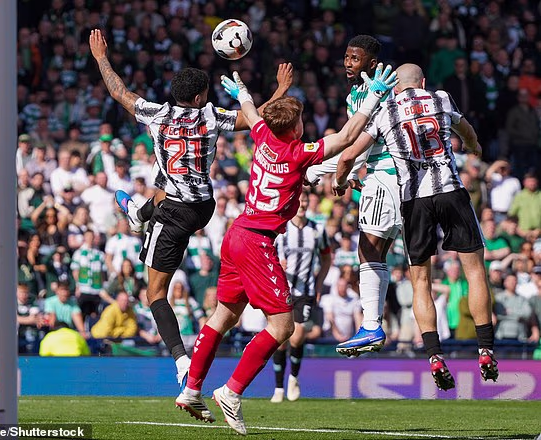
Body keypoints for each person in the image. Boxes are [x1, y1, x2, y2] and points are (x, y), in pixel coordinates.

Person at [175, 63, 396, 432]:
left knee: (223, 316)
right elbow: (345, 137)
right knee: (283, 326)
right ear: (295, 128)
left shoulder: (263, 137)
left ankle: (191, 389)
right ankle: (231, 391)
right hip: (257, 241)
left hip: (236, 234)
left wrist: (243, 93)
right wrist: (373, 97)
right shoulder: (297, 152)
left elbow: (251, 114)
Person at [89, 28, 293, 390]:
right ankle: (139, 213)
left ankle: (181, 360)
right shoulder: (211, 116)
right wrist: (280, 89)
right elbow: (255, 117)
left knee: (154, 294)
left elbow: (120, 92)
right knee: (162, 181)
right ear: (199, 97)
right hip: (204, 206)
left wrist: (101, 58)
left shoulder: (157, 115)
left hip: (175, 212)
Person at [335, 63, 498, 391]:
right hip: (451, 192)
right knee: (475, 272)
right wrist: (474, 147)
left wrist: (341, 179)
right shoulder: (440, 98)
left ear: (395, 88)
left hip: (413, 202)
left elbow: (349, 154)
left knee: (421, 281)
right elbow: (467, 132)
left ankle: (434, 355)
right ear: (423, 82)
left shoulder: (385, 111)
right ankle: (485, 349)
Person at [306, 35, 402, 357]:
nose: (348, 63)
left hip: (386, 175)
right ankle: (375, 326)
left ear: (372, 63)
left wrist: (322, 172)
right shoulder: (355, 94)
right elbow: (352, 145)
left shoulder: (379, 92)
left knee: (368, 251)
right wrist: (339, 173)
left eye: (355, 58)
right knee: (379, 253)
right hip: (383, 175)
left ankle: (372, 326)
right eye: (346, 57)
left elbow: (359, 148)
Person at [270, 190, 332, 403]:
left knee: (297, 336)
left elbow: (326, 259)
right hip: (281, 290)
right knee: (280, 340)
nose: (303, 204)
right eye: (300, 200)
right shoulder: (281, 229)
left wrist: (319, 283)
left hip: (305, 291)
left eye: (306, 200)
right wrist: (277, 264)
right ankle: (278, 387)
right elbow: (266, 255)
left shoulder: (317, 230)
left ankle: (293, 378)